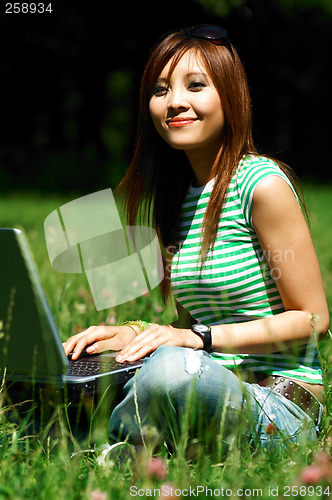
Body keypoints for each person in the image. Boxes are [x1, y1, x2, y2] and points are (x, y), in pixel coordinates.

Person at [63, 26, 329, 455]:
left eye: (196, 86)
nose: (174, 103)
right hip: (202, 380)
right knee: (77, 365)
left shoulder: (261, 185)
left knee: (171, 372)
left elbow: (313, 319)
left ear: (230, 94)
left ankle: (102, 443)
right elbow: (187, 330)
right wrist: (128, 333)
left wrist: (198, 340)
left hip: (278, 406)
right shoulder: (179, 198)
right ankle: (87, 422)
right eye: (160, 90)